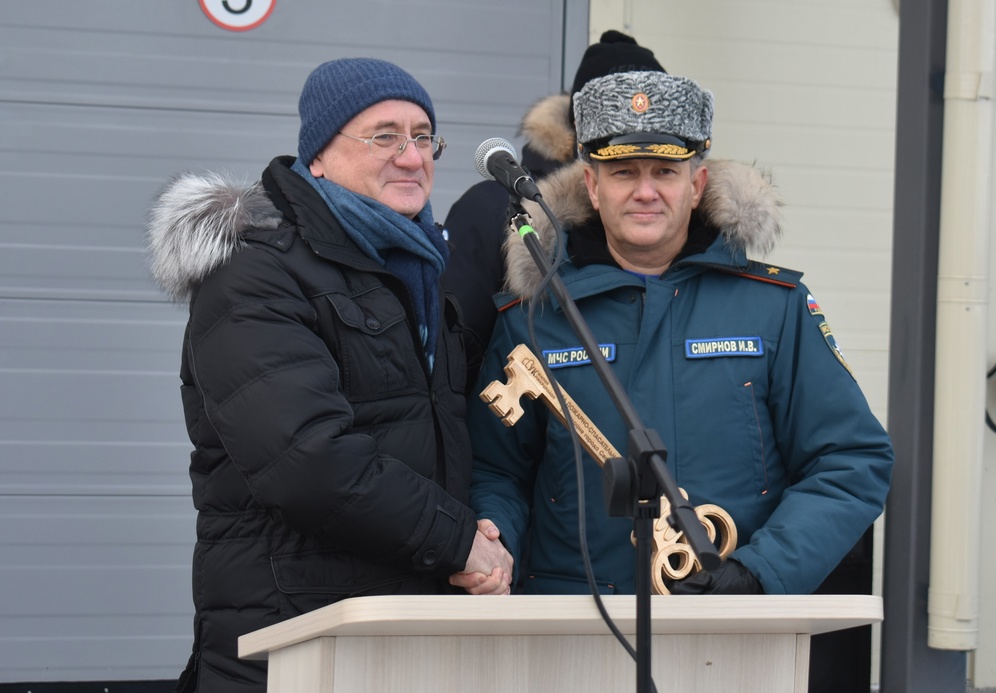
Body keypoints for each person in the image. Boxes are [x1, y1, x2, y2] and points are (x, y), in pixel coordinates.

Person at [146, 57, 512, 693]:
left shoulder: (422, 277)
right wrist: (458, 541)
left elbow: (444, 443)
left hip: (398, 628)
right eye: (383, 136)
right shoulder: (255, 277)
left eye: (424, 136)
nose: (411, 155)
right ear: (318, 156)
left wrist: (482, 534)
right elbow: (309, 460)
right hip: (293, 636)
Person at [462, 69, 893, 607]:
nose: (645, 192)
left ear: (697, 185)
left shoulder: (773, 309)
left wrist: (760, 573)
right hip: (573, 621)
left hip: (736, 623)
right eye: (623, 173)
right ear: (592, 186)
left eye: (666, 170)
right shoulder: (534, 317)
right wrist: (495, 541)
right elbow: (496, 470)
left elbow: (852, 461)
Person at [442, 30, 664, 386]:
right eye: (613, 109)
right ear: (577, 120)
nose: (633, 126)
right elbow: (455, 354)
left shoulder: (678, 210)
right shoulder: (493, 205)